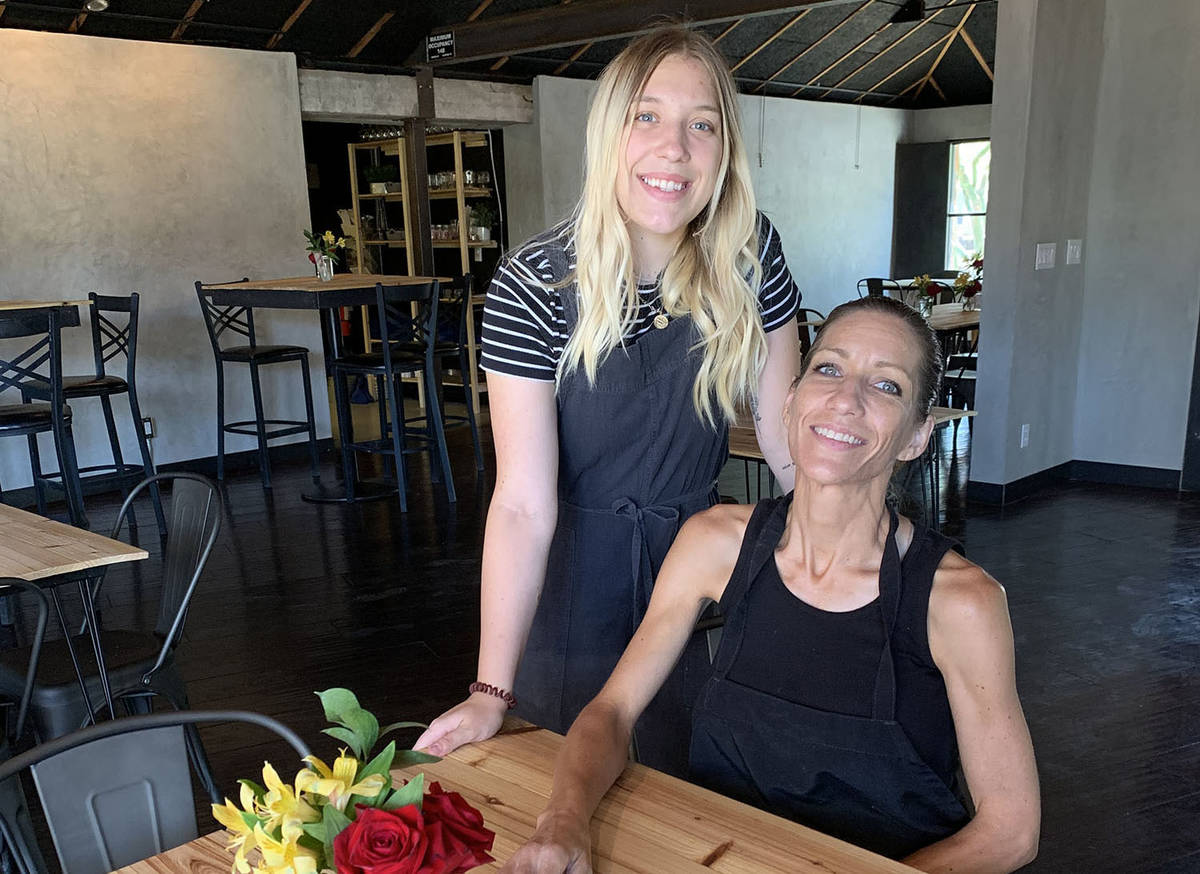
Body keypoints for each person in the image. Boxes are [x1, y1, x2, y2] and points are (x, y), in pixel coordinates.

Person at [499, 296, 1041, 874]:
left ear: (916, 436)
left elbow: (1009, 832)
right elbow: (610, 712)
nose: (846, 399)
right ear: (790, 401)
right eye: (828, 368)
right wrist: (562, 823)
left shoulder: (960, 601)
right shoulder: (713, 542)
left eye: (887, 387)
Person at [415, 25, 801, 774]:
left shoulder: (752, 254)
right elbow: (523, 502)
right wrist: (490, 689)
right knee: (570, 790)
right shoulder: (535, 283)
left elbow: (789, 446)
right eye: (646, 116)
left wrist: (841, 581)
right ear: (609, 133)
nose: (675, 148)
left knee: (702, 789)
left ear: (725, 149)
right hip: (574, 584)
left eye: (702, 124)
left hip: (706, 577)